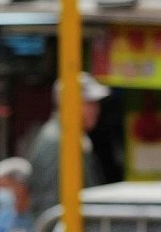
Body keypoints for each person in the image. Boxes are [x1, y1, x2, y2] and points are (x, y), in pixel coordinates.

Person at [27, 72, 110, 220]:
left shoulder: (70, 137)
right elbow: (54, 201)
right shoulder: (57, 142)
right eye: (88, 103)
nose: (96, 109)